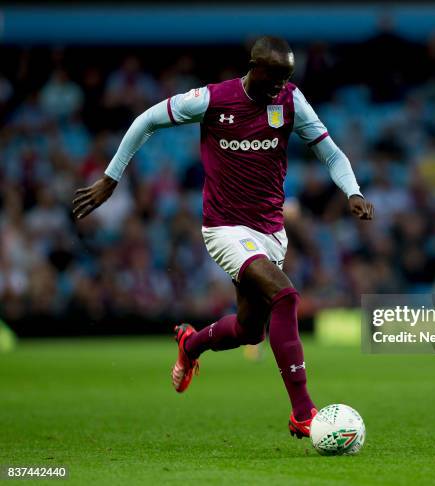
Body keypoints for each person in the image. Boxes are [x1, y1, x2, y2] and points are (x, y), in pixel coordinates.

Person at [72, 36, 374, 438]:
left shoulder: (289, 101)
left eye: (288, 76)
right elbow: (146, 120)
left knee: (251, 330)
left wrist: (352, 191)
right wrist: (111, 178)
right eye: (277, 75)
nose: (281, 84)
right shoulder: (212, 100)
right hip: (224, 229)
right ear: (256, 66)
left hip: (271, 232)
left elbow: (331, 152)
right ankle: (303, 412)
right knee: (286, 296)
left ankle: (191, 344)